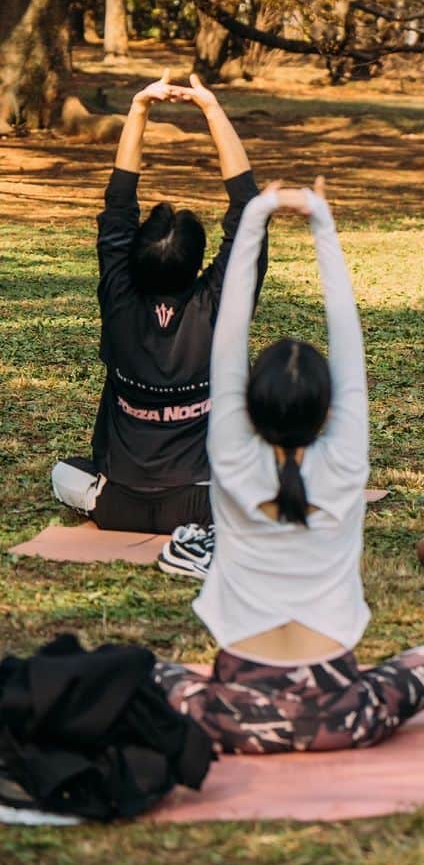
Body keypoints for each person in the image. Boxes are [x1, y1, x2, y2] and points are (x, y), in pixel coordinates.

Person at [154, 179, 424, 753]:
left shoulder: (231, 456)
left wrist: (259, 213)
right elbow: (347, 337)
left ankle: (252, 725)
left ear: (248, 405)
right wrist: (321, 220)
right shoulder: (344, 462)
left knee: (143, 670)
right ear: (329, 409)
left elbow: (229, 328)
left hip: (234, 711)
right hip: (340, 712)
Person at [51, 72, 267, 542]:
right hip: (202, 502)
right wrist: (211, 109)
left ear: (131, 260)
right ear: (197, 267)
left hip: (118, 504)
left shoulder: (119, 300)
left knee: (63, 473)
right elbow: (249, 212)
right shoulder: (217, 310)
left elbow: (118, 208)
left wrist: (139, 109)